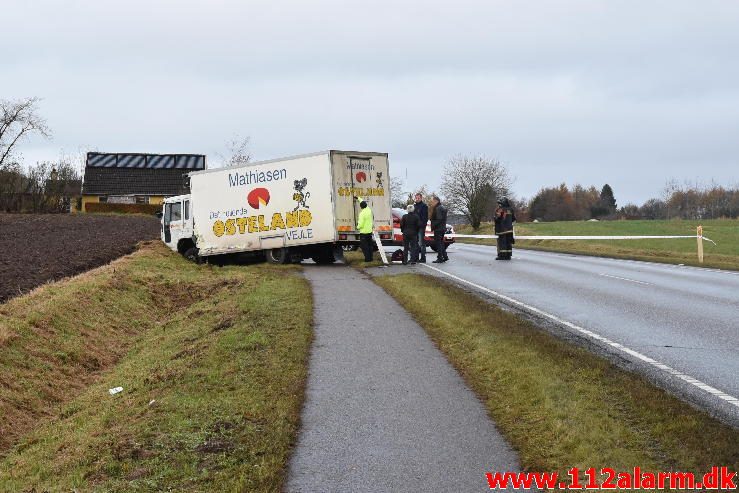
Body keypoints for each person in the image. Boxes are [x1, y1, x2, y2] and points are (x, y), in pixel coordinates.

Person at [429, 195, 448, 263]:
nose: (432, 203)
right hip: (442, 228)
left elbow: (439, 219)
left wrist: (433, 225)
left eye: (433, 201)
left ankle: (440, 258)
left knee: (438, 244)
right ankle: (445, 256)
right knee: (441, 243)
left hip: (438, 229)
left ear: (436, 201)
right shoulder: (442, 207)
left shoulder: (438, 208)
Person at [356, 198, 374, 262]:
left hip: (363, 233)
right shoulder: (369, 210)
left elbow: (361, 224)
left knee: (364, 247)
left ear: (361, 207)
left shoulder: (362, 213)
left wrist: (357, 227)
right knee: (370, 246)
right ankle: (371, 258)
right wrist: (358, 198)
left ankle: (367, 259)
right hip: (369, 232)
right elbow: (363, 202)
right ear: (366, 205)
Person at [413, 193, 428, 263]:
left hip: (421, 227)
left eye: (418, 198)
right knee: (415, 243)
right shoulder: (414, 206)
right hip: (415, 228)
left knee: (421, 243)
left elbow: (425, 218)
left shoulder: (424, 206)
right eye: (416, 198)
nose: (417, 199)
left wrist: (422, 226)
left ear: (421, 198)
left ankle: (423, 258)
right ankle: (416, 257)